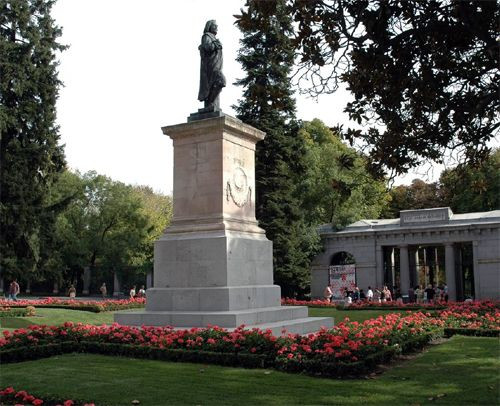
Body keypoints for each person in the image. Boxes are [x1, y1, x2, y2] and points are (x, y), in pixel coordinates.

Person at [197, 20, 226, 112]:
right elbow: (207, 47)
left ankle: (211, 104)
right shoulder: (206, 36)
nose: (217, 27)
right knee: (221, 81)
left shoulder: (213, 37)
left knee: (216, 83)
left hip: (217, 65)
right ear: (210, 26)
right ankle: (210, 102)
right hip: (210, 66)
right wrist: (216, 44)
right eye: (215, 26)